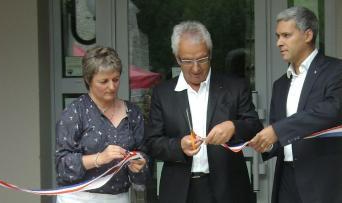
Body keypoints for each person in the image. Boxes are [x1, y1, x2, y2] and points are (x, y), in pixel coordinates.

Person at [145, 21, 263, 203]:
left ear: (210, 54)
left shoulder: (235, 86)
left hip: (229, 189)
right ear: (177, 58)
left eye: (202, 59)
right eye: (187, 61)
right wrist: (178, 146)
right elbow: (152, 142)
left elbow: (254, 126)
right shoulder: (163, 93)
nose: (195, 68)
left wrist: (233, 127)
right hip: (180, 191)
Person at [249, 6, 342, 203]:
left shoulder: (335, 70)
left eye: (286, 35)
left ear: (308, 35)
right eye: (277, 36)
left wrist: (277, 130)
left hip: (323, 181)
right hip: (287, 179)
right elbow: (278, 134)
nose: (278, 43)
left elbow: (332, 110)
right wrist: (264, 144)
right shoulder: (280, 84)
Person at [55, 46, 148, 203]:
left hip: (119, 197)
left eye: (116, 79)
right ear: (88, 80)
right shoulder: (76, 111)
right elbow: (62, 166)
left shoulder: (133, 112)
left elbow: (144, 159)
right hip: (78, 198)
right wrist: (100, 158)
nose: (112, 87)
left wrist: (139, 165)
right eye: (103, 81)